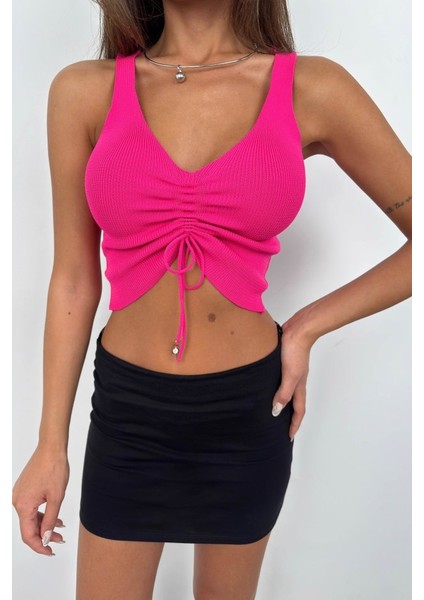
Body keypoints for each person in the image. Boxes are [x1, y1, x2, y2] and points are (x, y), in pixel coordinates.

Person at [12, 0, 411, 598]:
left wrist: (306, 327)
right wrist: (50, 445)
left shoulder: (312, 87)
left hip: (247, 414)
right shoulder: (83, 91)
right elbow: (73, 277)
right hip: (128, 416)